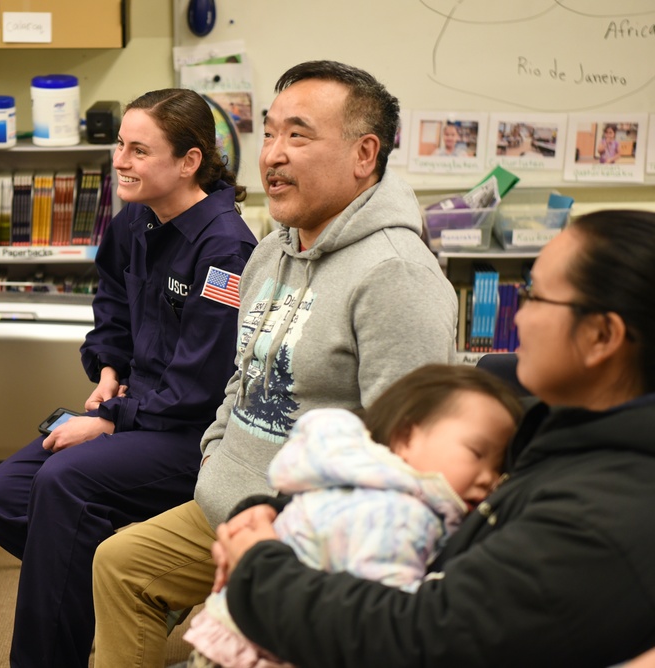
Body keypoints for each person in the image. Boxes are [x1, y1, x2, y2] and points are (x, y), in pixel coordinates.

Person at [91, 60, 459, 668]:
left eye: (299, 135)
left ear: (365, 154)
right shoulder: (268, 253)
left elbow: (407, 455)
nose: (273, 155)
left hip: (310, 532)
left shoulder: (397, 276)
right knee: (120, 564)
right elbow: (243, 372)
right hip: (224, 499)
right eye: (269, 133)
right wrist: (214, 450)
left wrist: (278, 531)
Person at [214, 209, 655, 668]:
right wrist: (268, 514)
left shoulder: (606, 516)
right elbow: (377, 465)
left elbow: (415, 638)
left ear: (602, 335)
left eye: (535, 296)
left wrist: (258, 565)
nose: (518, 317)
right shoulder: (544, 422)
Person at [0, 88, 258, 668]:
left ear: (189, 161)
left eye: (138, 150)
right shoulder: (135, 220)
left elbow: (198, 390)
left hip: (191, 435)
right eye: (119, 145)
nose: (119, 161)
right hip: (133, 408)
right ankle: (118, 589)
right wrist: (107, 370)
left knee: (63, 482)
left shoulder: (226, 247)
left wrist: (105, 421)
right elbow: (112, 307)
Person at [183, 364, 522, 668]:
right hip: (269, 647)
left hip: (237, 628)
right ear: (406, 437)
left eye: (498, 470)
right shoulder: (401, 517)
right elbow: (382, 626)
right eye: (477, 453)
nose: (488, 479)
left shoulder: (349, 472)